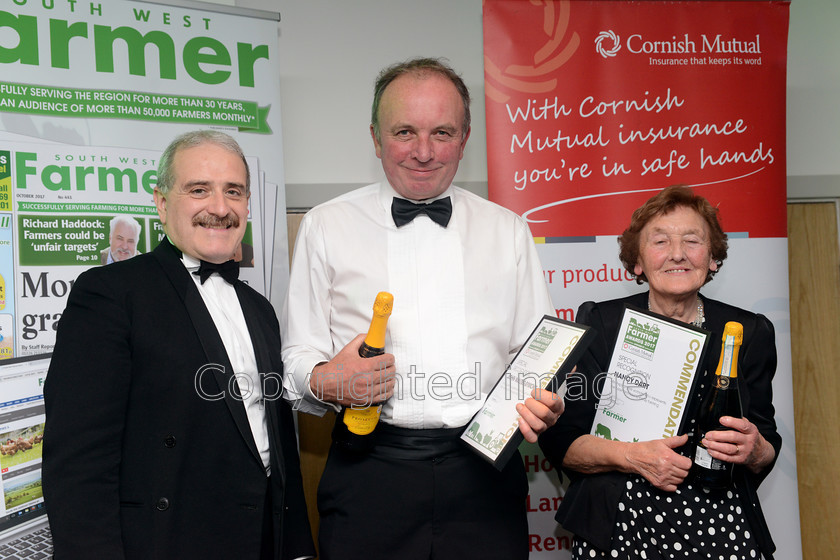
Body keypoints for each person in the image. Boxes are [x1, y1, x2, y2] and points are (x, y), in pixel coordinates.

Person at [281, 57, 561, 560]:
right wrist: (327, 380)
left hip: (485, 474)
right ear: (374, 136)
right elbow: (298, 354)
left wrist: (545, 397)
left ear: (466, 137)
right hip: (368, 473)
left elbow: (535, 352)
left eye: (443, 133)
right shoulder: (326, 225)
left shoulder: (509, 230)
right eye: (405, 132)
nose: (424, 152)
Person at [43, 130, 315, 560]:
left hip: (261, 538)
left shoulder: (260, 308)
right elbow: (78, 463)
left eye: (234, 192)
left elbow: (278, 443)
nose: (220, 208)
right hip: (168, 541)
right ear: (162, 203)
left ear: (247, 205)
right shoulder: (111, 292)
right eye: (199, 190)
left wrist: (297, 547)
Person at [538, 186, 780, 559]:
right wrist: (632, 456)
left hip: (720, 523)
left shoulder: (748, 331)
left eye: (692, 241)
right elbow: (563, 443)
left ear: (713, 258)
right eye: (661, 241)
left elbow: (766, 441)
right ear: (637, 262)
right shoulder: (602, 324)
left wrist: (756, 448)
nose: (678, 254)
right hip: (619, 521)